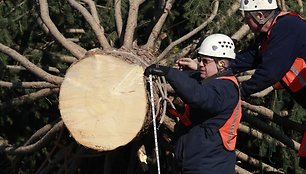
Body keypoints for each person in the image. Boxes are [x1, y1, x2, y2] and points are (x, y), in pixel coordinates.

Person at [144, 34, 242, 174]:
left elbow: (198, 96)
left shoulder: (225, 89)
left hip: (211, 168)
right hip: (198, 165)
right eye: (200, 59)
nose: (200, 64)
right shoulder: (211, 80)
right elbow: (191, 80)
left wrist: (170, 73)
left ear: (221, 64)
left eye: (205, 61)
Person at [229, 0, 306, 168]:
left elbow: (270, 72)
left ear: (260, 16)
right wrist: (204, 66)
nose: (245, 22)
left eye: (246, 17)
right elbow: (241, 60)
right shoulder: (267, 37)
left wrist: (239, 92)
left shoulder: (288, 27)